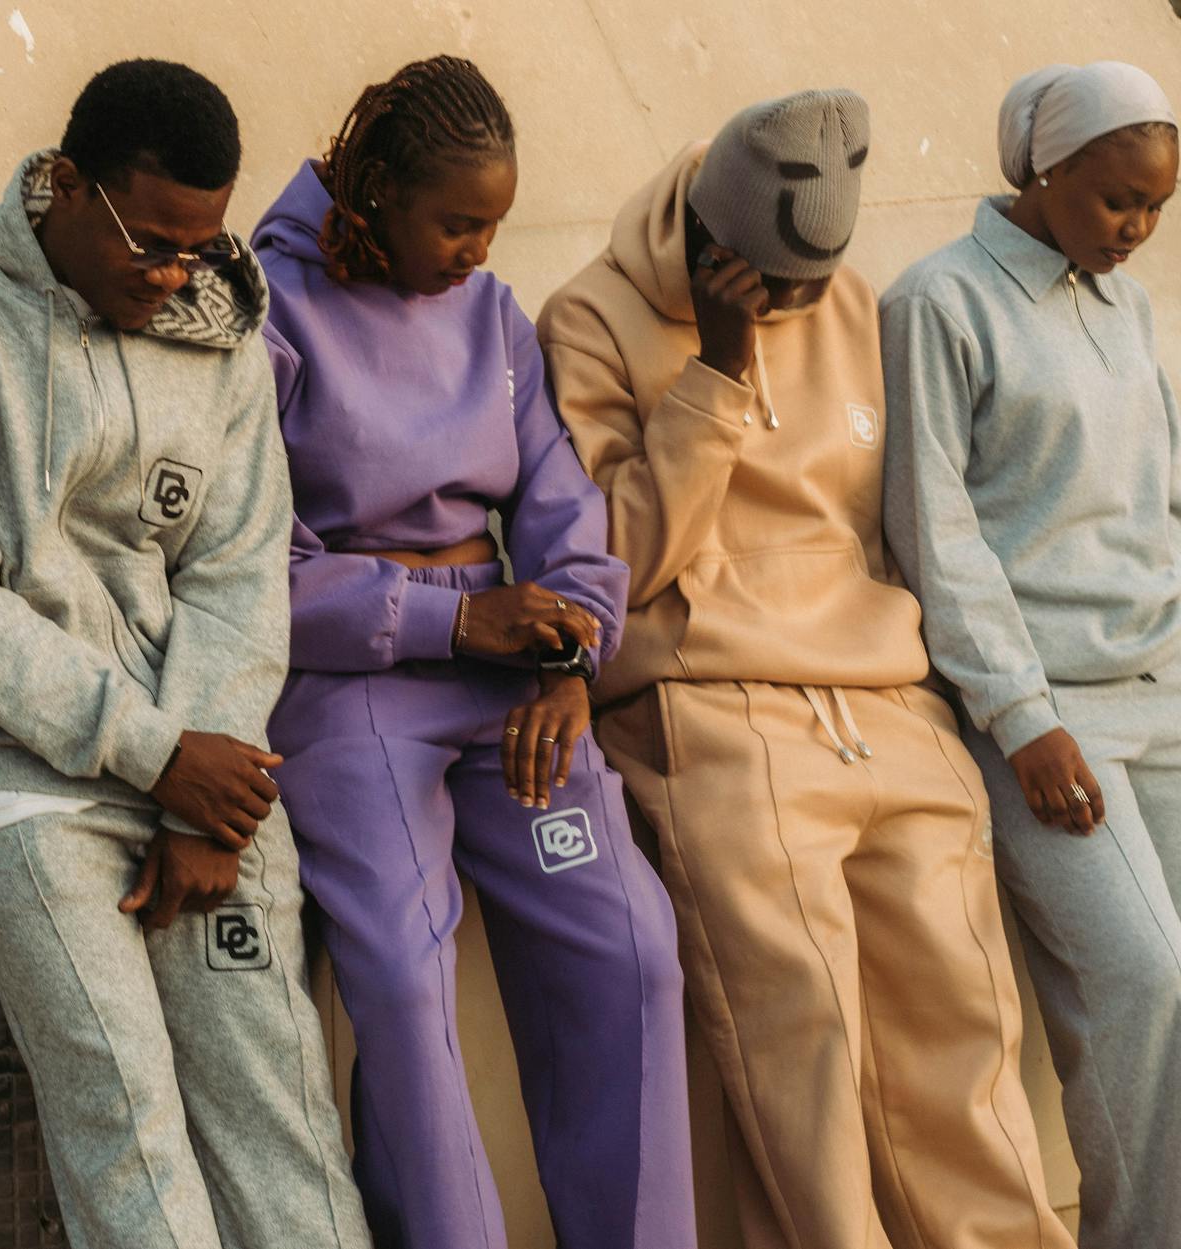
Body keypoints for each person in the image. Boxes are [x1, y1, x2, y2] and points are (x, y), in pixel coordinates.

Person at [539, 90, 1074, 1249]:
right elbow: (613, 562)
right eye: (771, 285)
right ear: (711, 242)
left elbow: (886, 524)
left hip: (884, 704)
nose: (794, 307)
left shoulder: (846, 297)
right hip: (715, 709)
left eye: (807, 285)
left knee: (963, 1039)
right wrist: (717, 378)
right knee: (805, 1048)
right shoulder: (586, 319)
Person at [0, 60, 369, 1249]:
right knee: (124, 1109)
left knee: (281, 1116)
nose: (172, 277)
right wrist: (154, 755)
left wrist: (200, 797)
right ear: (64, 185)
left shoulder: (218, 343)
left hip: (205, 773)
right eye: (150, 242)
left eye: (197, 249)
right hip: (7, 771)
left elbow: (236, 570)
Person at [251, 54, 694, 1249]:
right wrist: (456, 619)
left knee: (632, 946)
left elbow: (562, 511)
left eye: (494, 223)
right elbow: (256, 570)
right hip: (355, 691)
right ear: (377, 190)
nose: (480, 250)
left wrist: (566, 660)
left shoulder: (493, 318)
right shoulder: (265, 308)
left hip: (511, 687)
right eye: (456, 222)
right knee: (399, 974)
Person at [881, 61, 1179, 1249]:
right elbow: (932, 528)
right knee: (1143, 983)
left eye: (1156, 207)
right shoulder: (935, 303)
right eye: (1115, 201)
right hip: (1049, 720)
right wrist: (1018, 713)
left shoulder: (1127, 304)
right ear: (1042, 170)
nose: (1136, 229)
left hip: (1162, 681)